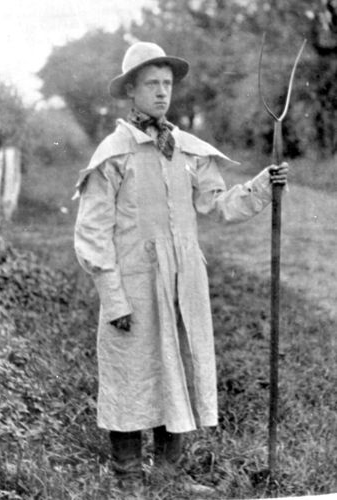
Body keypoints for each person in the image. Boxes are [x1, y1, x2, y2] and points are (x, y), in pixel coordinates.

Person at [74, 41, 288, 493]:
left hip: (184, 280)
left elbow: (218, 206)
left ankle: (170, 476)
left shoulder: (187, 150)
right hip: (133, 282)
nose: (161, 92)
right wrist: (114, 299)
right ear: (130, 91)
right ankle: (128, 478)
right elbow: (92, 235)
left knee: (180, 369)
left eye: (167, 84)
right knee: (133, 373)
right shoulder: (114, 154)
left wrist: (262, 185)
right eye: (151, 84)